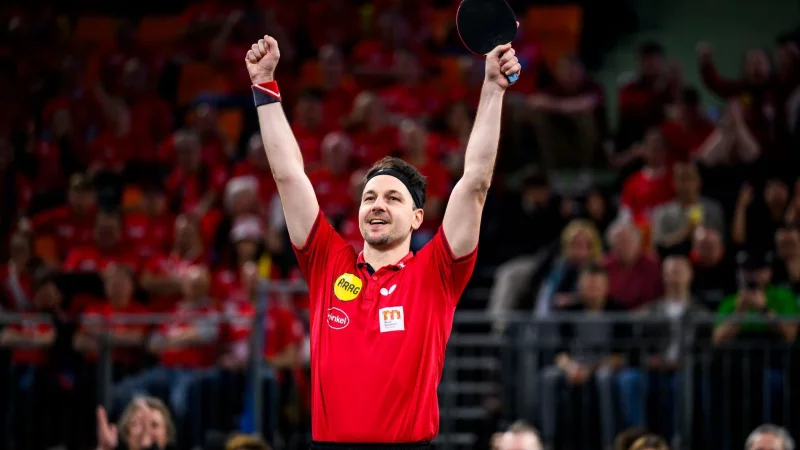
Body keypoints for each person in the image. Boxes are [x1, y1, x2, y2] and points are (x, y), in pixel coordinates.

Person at [244, 33, 520, 447]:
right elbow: (288, 175)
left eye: (393, 198)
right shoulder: (327, 262)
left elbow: (475, 182)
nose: (377, 205)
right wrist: (265, 85)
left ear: (417, 217)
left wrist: (493, 88)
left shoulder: (437, 271)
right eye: (369, 197)